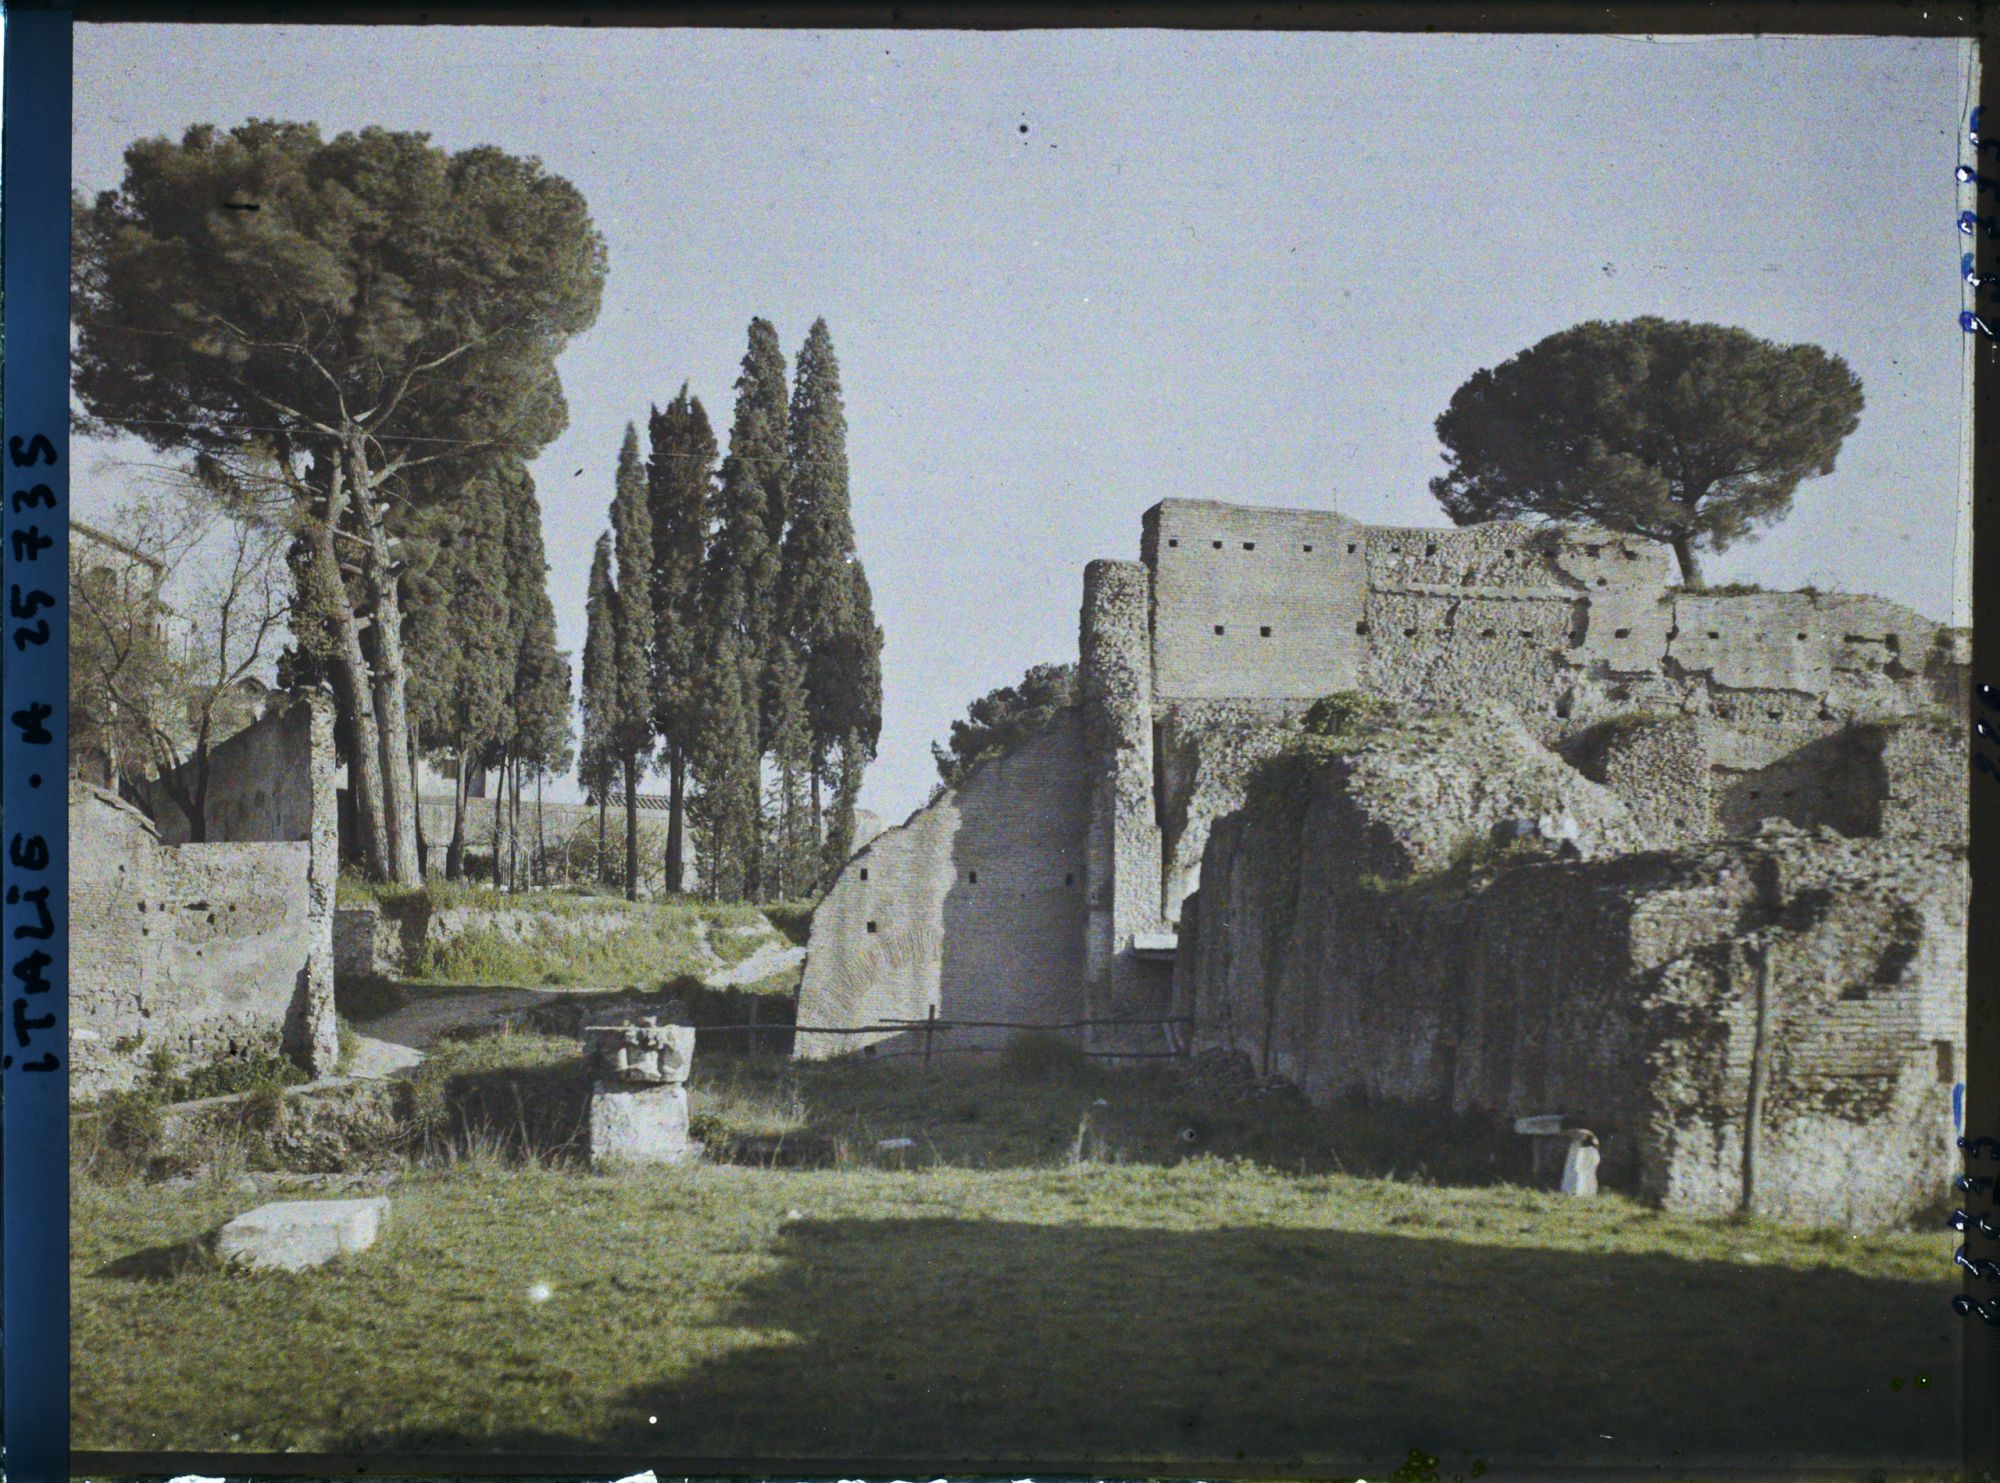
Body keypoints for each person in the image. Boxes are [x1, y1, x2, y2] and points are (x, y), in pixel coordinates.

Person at [1560, 1129, 1600, 1197]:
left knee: (1580, 1173)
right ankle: (1578, 1192)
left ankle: (1578, 1192)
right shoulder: (1577, 1144)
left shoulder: (1584, 1141)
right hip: (1583, 1152)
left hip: (1584, 1154)